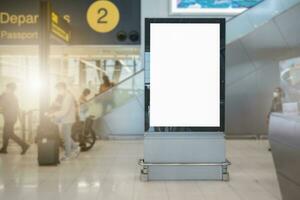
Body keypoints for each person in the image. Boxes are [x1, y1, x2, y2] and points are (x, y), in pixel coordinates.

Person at [48, 82, 80, 161]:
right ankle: (76, 147)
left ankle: (68, 155)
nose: (58, 91)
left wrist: (53, 114)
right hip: (66, 119)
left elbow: (64, 111)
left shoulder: (68, 97)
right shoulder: (64, 96)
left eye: (59, 89)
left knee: (66, 137)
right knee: (66, 136)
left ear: (63, 88)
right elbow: (61, 108)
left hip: (67, 120)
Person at [0, 83, 29, 154]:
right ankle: (4, 149)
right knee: (6, 133)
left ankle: (24, 145)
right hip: (12, 118)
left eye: (7, 88)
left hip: (9, 118)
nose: (6, 89)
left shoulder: (5, 96)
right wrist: (20, 119)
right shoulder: (14, 97)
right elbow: (17, 108)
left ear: (10, 89)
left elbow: (1, 106)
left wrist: (1, 96)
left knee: (9, 133)